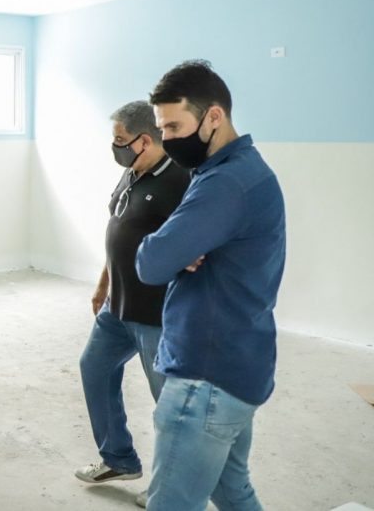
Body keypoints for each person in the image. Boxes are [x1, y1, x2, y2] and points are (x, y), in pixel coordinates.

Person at [137, 60, 286, 511]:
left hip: (206, 378)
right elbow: (173, 253)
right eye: (162, 128)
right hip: (240, 366)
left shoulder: (226, 184)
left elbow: (151, 262)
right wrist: (179, 248)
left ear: (214, 116)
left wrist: (167, 247)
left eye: (175, 125)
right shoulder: (246, 170)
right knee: (231, 489)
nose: (167, 139)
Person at [75, 101, 190, 488]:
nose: (116, 147)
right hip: (117, 308)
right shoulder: (132, 172)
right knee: (94, 369)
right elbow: (119, 229)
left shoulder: (181, 180)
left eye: (120, 140)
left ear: (144, 140)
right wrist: (103, 283)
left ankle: (175, 486)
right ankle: (119, 459)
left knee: (169, 406)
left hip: (157, 315)